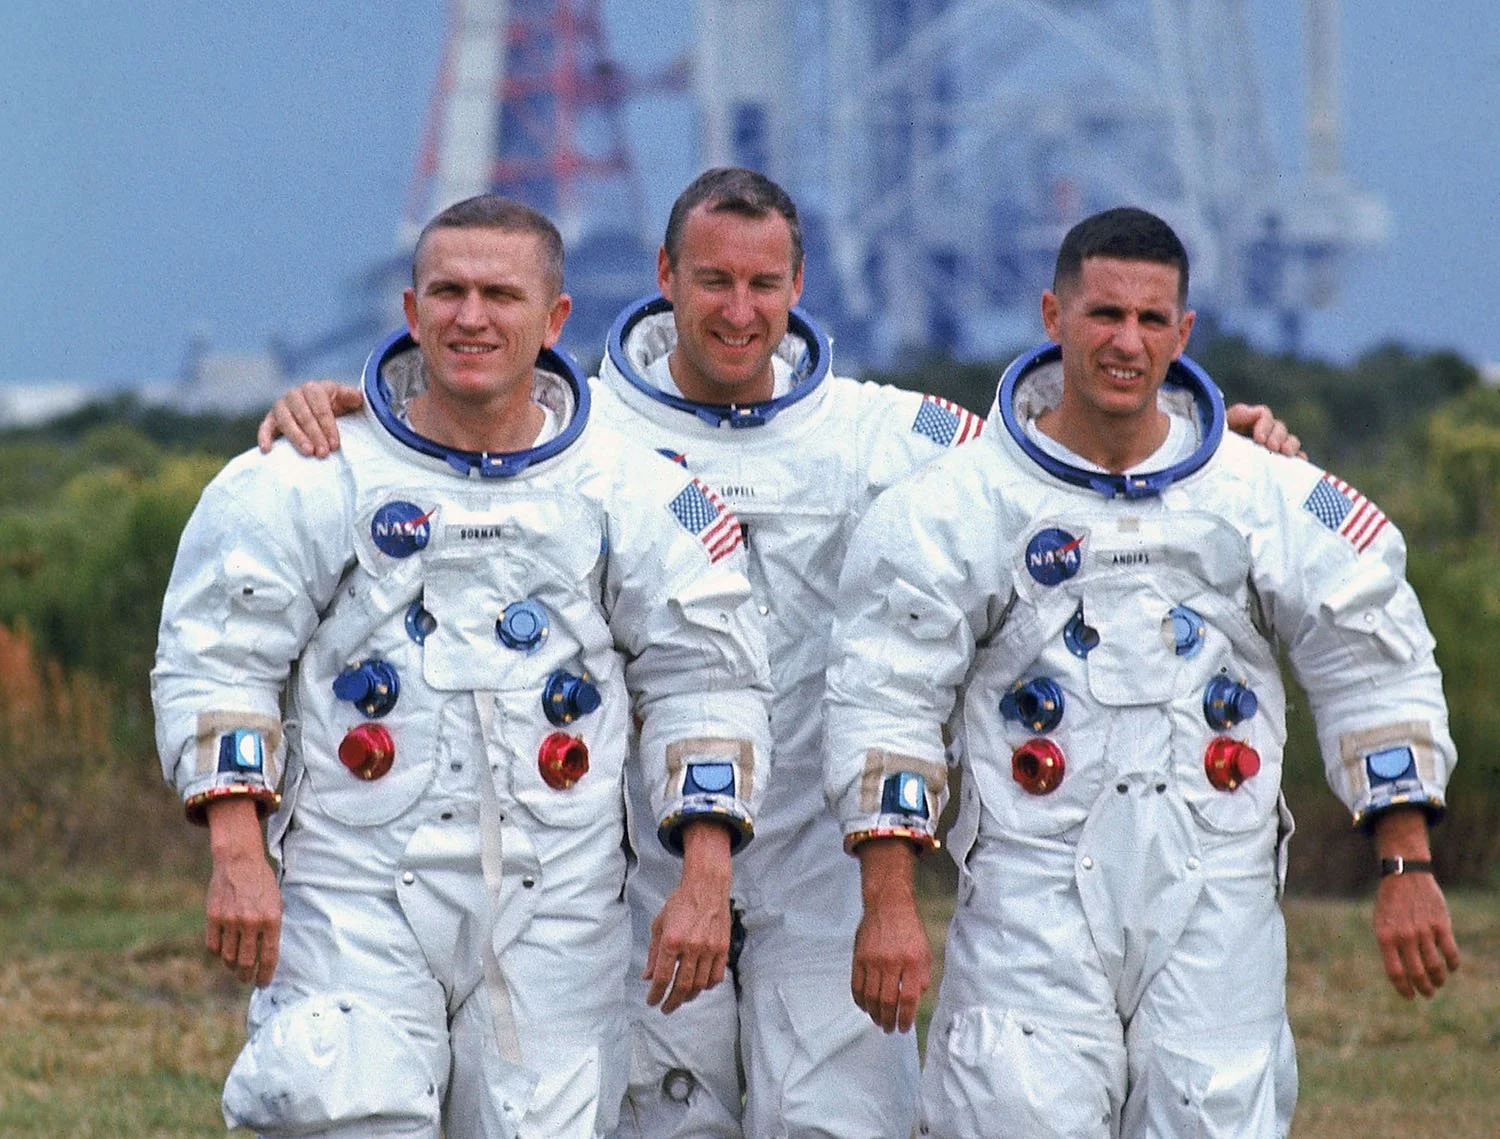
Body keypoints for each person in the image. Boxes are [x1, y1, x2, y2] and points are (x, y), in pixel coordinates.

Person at [258, 174, 1303, 1138]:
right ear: (665, 279)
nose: (738, 309)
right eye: (712, 279)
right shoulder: (582, 432)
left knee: (836, 1116)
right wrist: (345, 411)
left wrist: (1205, 442)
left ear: (800, 284)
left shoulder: (884, 435)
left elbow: (1051, 457)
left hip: (822, 858)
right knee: (648, 1113)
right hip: (633, 862)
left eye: (764, 282)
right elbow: (458, 426)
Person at [824, 205, 1460, 1139]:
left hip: (1216, 888)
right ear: (1053, 315)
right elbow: (886, 694)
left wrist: (1406, 861)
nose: (1127, 341)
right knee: (1013, 1112)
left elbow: (1372, 656)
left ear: (1183, 332)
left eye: (1151, 320)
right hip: (1030, 895)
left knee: (1214, 1112)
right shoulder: (959, 504)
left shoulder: (1259, 493)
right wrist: (888, 904)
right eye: (1104, 314)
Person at [153, 194, 772, 1139]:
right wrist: (237, 853)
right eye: (447, 292)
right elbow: (217, 660)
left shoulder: (636, 489)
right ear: (410, 311)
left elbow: (709, 678)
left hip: (555, 895)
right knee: (341, 1111)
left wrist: (703, 877)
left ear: (555, 319)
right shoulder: (312, 473)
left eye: (499, 294)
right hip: (353, 887)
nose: (470, 317)